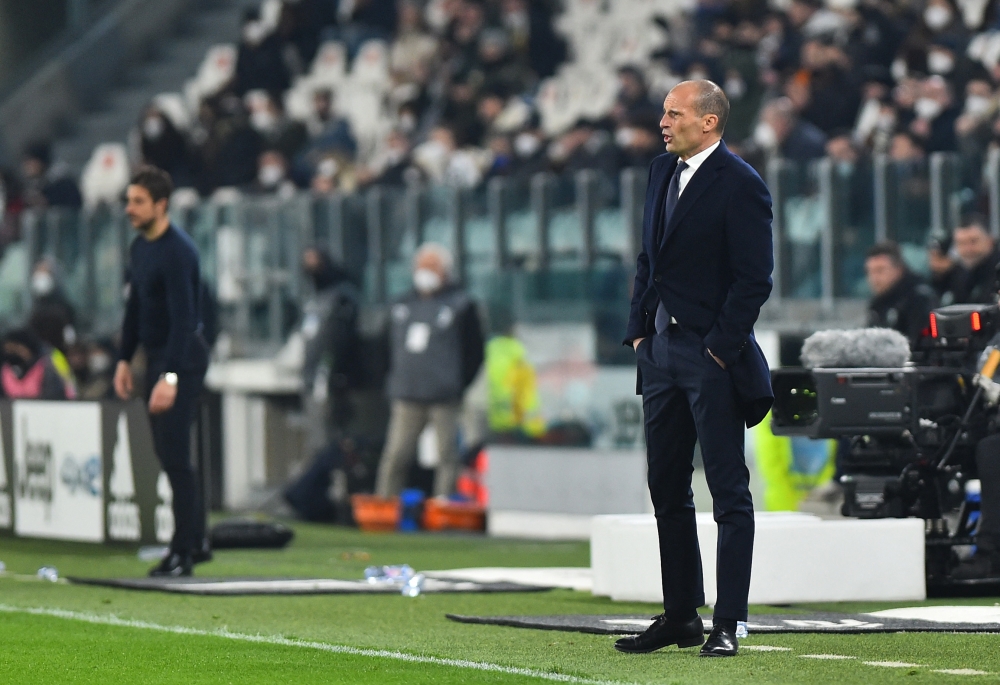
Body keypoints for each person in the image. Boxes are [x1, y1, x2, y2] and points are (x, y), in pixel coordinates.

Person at [618, 80, 774, 658]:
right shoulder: (661, 172)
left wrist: (718, 349)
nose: (663, 121)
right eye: (663, 111)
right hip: (658, 353)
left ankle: (729, 622)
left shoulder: (742, 185)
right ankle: (682, 614)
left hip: (709, 357)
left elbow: (755, 279)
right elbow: (646, 260)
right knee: (666, 487)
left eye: (673, 112)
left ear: (709, 122)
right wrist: (639, 331)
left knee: (728, 492)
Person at [113, 166, 210, 578]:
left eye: (137, 201)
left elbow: (185, 320)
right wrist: (123, 358)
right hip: (156, 357)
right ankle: (196, 540)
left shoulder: (178, 251)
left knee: (174, 455)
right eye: (128, 201)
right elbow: (135, 310)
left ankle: (183, 551)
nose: (129, 209)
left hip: (181, 358)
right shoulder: (140, 249)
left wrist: (169, 378)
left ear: (160, 205)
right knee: (168, 455)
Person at [374, 243, 484, 499]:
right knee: (397, 454)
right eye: (422, 266)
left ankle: (445, 505)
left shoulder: (461, 305)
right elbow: (382, 348)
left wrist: (457, 382)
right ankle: (385, 504)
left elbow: (474, 352)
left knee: (447, 454)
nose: (426, 272)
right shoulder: (401, 305)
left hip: (444, 395)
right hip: (407, 392)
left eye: (432, 267)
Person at [864, 241, 936, 345]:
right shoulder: (877, 304)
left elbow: (921, 344)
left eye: (880, 270)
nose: (874, 278)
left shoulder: (918, 299)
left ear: (898, 270)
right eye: (870, 272)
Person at [953, 217, 1000, 304]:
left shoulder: (997, 274)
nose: (968, 249)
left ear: (990, 241)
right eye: (961, 243)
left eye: (973, 241)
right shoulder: (958, 275)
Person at [927, 233, 968, 306]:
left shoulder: (962, 281)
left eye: (939, 258)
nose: (934, 263)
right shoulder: (932, 280)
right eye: (931, 258)